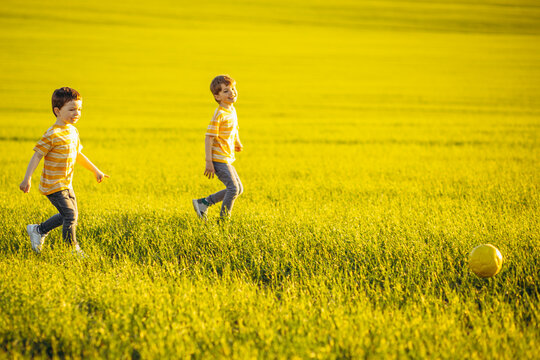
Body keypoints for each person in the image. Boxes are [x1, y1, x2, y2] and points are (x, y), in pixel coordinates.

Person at [19, 87, 109, 254]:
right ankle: (72, 249)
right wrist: (27, 178)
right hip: (53, 185)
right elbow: (37, 155)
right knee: (70, 215)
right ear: (57, 111)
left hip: (67, 183)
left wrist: (96, 170)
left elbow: (78, 155)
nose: (77, 113)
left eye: (79, 109)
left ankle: (38, 230)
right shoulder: (52, 134)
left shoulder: (73, 131)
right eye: (72, 109)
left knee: (68, 215)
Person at [193, 75, 244, 220]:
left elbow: (234, 129)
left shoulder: (231, 110)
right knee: (233, 188)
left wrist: (237, 142)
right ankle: (223, 222)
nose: (232, 93)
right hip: (218, 159)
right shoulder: (219, 113)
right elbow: (209, 137)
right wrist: (209, 162)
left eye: (233, 89)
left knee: (238, 189)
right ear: (217, 96)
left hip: (226, 158)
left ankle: (203, 203)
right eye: (226, 91)